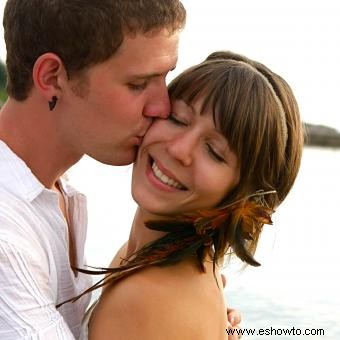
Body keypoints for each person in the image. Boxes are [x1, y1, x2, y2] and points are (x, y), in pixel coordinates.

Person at [70, 51, 304, 339]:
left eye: (215, 152)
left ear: (244, 196)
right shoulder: (153, 262)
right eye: (179, 119)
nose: (179, 150)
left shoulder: (147, 299)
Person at [0, 0, 186, 338]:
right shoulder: (6, 235)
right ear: (52, 77)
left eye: (165, 79)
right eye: (139, 84)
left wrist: (176, 312)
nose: (163, 107)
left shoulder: (56, 189)